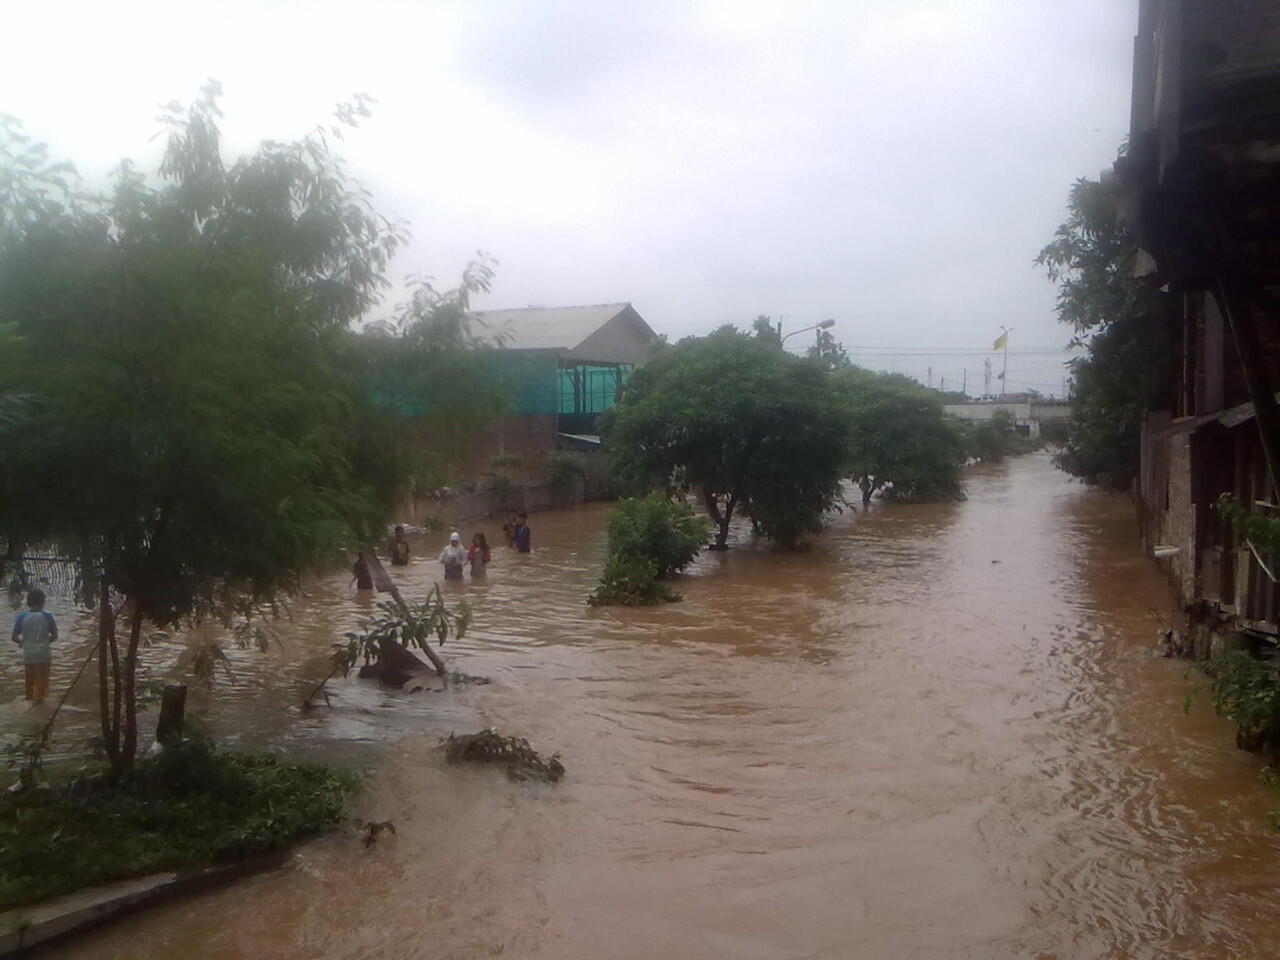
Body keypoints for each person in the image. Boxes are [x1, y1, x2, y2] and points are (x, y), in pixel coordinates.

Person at [11, 588, 57, 704]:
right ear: (43, 601)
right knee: (42, 683)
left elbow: (14, 637)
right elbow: (54, 635)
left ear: (28, 602)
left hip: (28, 653)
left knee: (29, 682)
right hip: (43, 653)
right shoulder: (47, 616)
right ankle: (39, 706)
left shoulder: (21, 617)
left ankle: (28, 701)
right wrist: (45, 642)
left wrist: (23, 643)